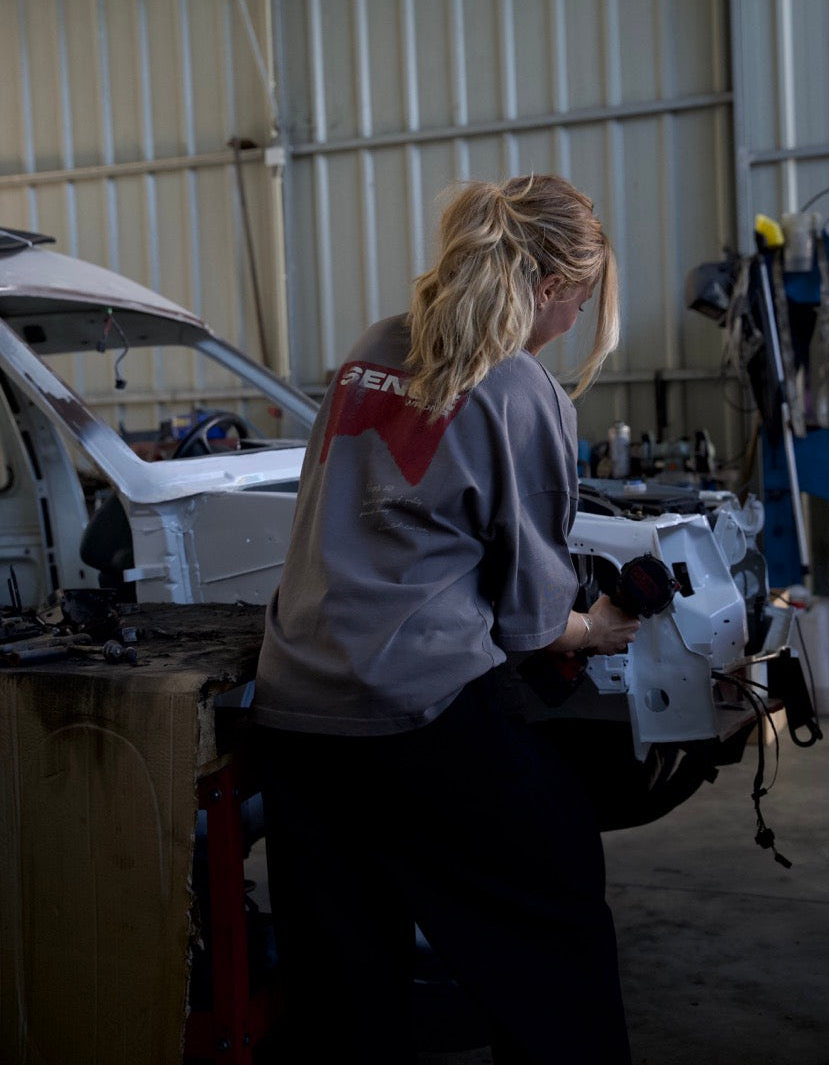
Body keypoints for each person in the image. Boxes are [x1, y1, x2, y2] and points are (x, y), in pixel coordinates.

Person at [253, 174, 639, 1064]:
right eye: (578, 301)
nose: (575, 321)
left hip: (295, 711)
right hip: (414, 712)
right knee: (559, 898)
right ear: (549, 289)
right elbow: (533, 625)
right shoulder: (521, 390)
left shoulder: (368, 349)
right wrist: (598, 626)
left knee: (344, 980)